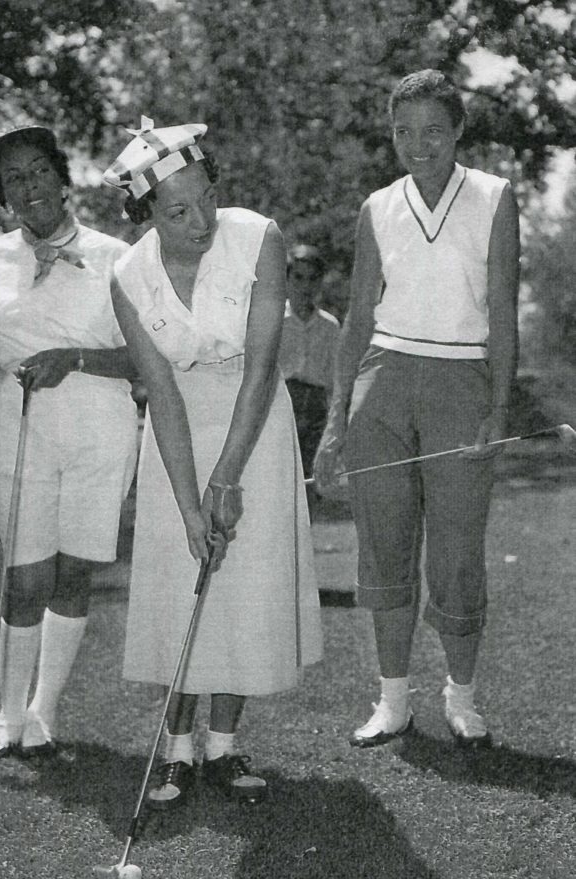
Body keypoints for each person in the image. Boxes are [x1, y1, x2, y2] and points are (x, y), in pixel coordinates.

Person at [103, 116, 323, 808]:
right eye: (176, 210)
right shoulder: (127, 274)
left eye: (205, 198)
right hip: (176, 433)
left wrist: (226, 477)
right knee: (180, 576)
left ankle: (224, 747)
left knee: (243, 581)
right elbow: (159, 392)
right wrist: (190, 503)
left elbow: (261, 368)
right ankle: (172, 750)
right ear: (146, 214)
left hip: (253, 424)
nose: (199, 220)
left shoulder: (260, 238)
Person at [315, 69, 519, 748]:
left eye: (432, 129)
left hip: (462, 380)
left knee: (457, 553)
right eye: (403, 131)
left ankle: (460, 697)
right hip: (384, 380)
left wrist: (495, 411)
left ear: (458, 128)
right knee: (382, 547)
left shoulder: (493, 197)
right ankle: (391, 701)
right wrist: (336, 419)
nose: (417, 144)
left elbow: (502, 315)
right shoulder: (378, 206)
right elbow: (355, 316)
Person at [0, 125, 138, 761]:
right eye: (12, 179)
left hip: (101, 432)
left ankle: (43, 712)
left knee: (73, 575)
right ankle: (7, 721)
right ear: (2, 195)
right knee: (25, 578)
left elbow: (147, 359)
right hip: (21, 433)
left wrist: (75, 358)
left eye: (37, 172)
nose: (27, 187)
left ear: (63, 179)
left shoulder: (120, 257)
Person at [278, 244, 341, 516]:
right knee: (278, 478)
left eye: (312, 278)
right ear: (287, 279)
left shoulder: (329, 325)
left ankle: (303, 546)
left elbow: (334, 380)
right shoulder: (275, 321)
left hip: (314, 408)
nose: (305, 286)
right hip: (281, 404)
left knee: (309, 483)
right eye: (298, 278)